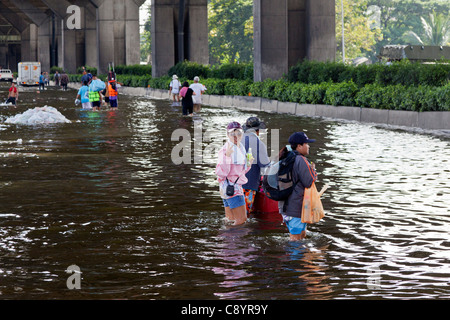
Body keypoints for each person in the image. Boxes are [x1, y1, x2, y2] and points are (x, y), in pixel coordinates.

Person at [278, 132, 318, 241]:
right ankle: (293, 258)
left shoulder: (285, 157)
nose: (308, 146)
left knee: (300, 238)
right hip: (295, 208)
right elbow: (308, 182)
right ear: (299, 146)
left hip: (284, 207)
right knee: (296, 243)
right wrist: (313, 170)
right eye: (306, 144)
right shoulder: (301, 160)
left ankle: (295, 257)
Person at [215, 121, 252, 226]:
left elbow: (240, 172)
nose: (236, 137)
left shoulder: (240, 148)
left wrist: (249, 164)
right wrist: (227, 157)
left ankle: (228, 240)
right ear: (228, 135)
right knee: (241, 220)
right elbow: (220, 173)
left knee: (230, 219)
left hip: (230, 187)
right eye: (233, 134)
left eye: (239, 133)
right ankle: (235, 241)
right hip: (232, 188)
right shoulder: (226, 150)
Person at [242, 117, 270, 214]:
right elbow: (265, 165)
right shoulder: (259, 143)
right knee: (244, 215)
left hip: (231, 185)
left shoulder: (237, 140)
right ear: (258, 131)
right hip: (248, 185)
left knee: (232, 214)